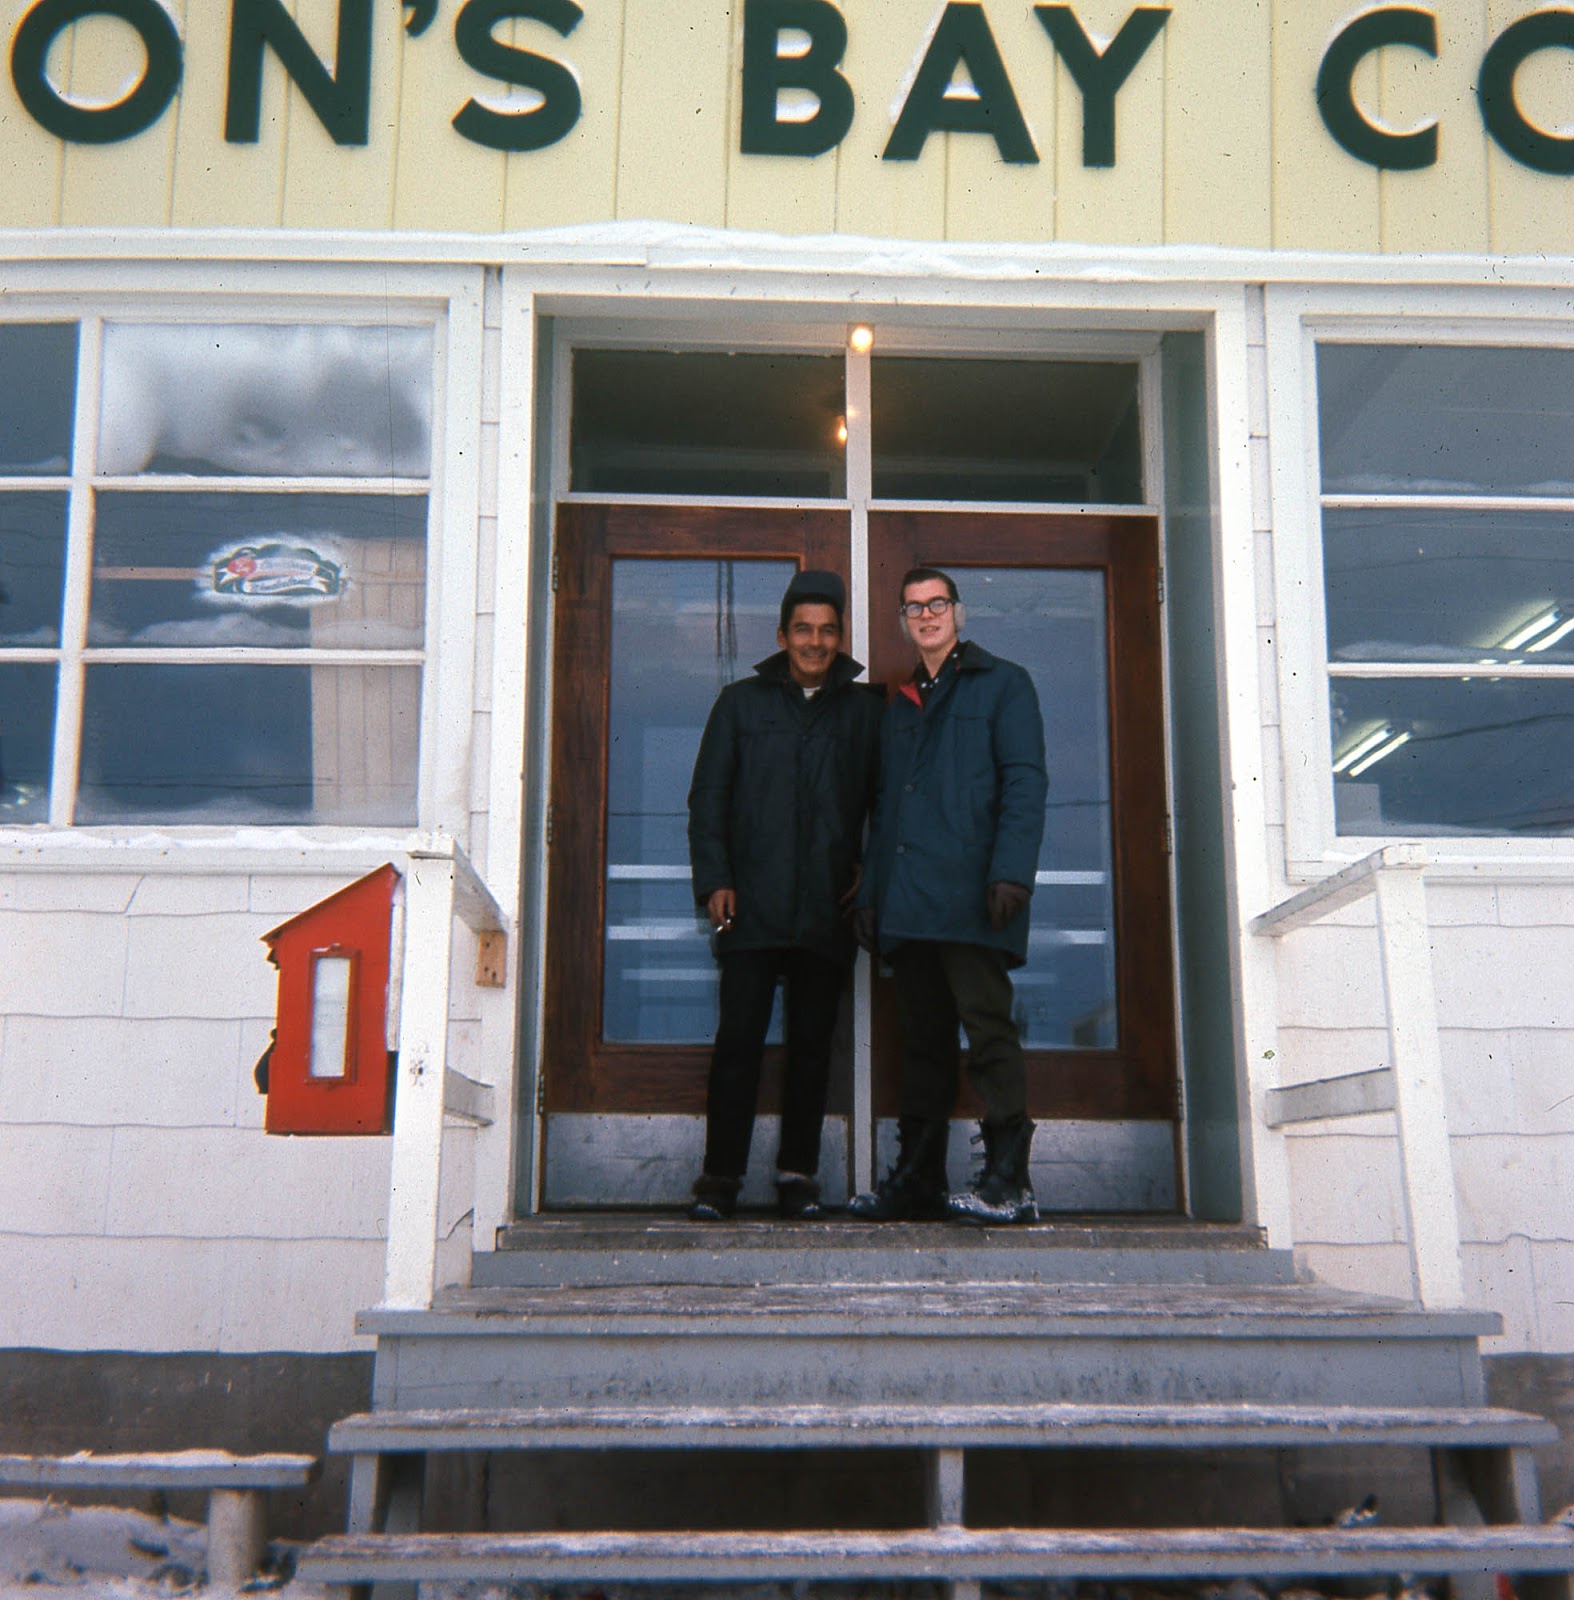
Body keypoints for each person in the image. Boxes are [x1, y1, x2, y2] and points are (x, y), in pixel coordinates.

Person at [849, 566, 1048, 1225]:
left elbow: (1025, 784)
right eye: (913, 608)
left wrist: (1012, 873)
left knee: (989, 1032)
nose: (926, 616)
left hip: (974, 897)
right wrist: (873, 895)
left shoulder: (1005, 684)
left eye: (938, 604)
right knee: (924, 1042)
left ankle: (1009, 1181)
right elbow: (886, 807)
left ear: (959, 614)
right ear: (904, 622)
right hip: (909, 900)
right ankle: (917, 1183)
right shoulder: (901, 702)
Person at [686, 569, 883, 1221]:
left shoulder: (863, 711)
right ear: (782, 635)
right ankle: (719, 1180)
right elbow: (708, 798)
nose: (816, 642)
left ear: (840, 636)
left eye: (828, 630)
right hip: (751, 908)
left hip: (828, 909)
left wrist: (871, 869)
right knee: (737, 1044)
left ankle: (797, 1176)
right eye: (804, 629)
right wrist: (715, 879)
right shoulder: (739, 705)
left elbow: (889, 802)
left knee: (810, 1048)